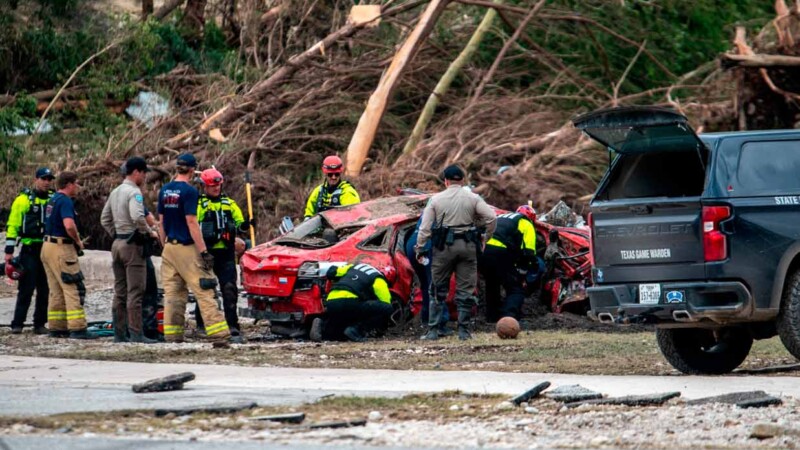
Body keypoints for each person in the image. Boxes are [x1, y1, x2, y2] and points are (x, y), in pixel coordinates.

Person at [415, 165, 496, 341]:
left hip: (443, 248)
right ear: (462, 180)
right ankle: (464, 331)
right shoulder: (473, 198)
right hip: (467, 246)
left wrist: (420, 248)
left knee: (437, 288)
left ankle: (433, 330)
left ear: (445, 181)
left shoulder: (436, 199)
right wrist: (485, 238)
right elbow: (492, 217)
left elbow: (425, 228)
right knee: (466, 290)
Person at [157, 154, 231, 343]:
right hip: (187, 247)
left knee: (173, 294)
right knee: (205, 290)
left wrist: (163, 245)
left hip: (169, 248)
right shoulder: (189, 192)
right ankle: (220, 335)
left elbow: (161, 222)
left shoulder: (164, 190)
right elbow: (192, 222)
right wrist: (204, 251)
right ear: (192, 170)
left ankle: (172, 335)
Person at [101, 156, 159, 343]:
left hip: (117, 244)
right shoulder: (134, 193)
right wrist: (149, 233)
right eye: (143, 173)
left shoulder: (116, 191)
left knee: (120, 291)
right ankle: (136, 333)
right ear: (136, 172)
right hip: (132, 246)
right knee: (136, 291)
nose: (144, 177)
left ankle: (119, 333)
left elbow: (105, 219)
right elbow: (137, 216)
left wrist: (117, 235)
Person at [194, 168, 250, 343]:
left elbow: (240, 223)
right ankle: (202, 325)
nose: (216, 188)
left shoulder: (229, 204)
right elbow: (193, 226)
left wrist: (245, 225)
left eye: (218, 185)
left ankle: (232, 325)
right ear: (204, 186)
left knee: (229, 289)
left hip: (225, 253)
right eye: (212, 185)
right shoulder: (199, 205)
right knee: (206, 289)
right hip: (207, 253)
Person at [41, 171, 95, 339]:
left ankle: (57, 327)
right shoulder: (65, 201)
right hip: (61, 247)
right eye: (76, 184)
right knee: (73, 287)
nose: (77, 187)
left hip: (46, 247)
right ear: (70, 184)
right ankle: (78, 328)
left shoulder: (52, 199)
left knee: (55, 290)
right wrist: (78, 241)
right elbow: (69, 225)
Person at [5, 167, 55, 335]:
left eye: (49, 179)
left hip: (47, 249)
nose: (46, 182)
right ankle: (17, 323)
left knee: (45, 288)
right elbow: (13, 225)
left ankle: (39, 324)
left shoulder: (53, 199)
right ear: (36, 179)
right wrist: (9, 250)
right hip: (29, 249)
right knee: (26, 288)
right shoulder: (23, 200)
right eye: (43, 179)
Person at [479, 205, 537, 322]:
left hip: (484, 252)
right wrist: (526, 269)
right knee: (515, 288)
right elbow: (529, 251)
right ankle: (509, 317)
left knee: (492, 285)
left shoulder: (501, 217)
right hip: (501, 253)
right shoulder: (525, 222)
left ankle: (492, 317)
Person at [309, 263, 394, 342]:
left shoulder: (354, 267)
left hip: (331, 301)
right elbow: (386, 303)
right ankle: (356, 330)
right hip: (350, 302)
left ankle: (322, 325)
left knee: (337, 334)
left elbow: (332, 272)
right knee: (387, 308)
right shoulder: (378, 278)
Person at [404, 216, 451, 335]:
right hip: (427, 242)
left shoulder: (434, 203)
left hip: (413, 242)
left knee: (426, 284)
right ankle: (439, 324)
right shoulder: (451, 203)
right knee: (436, 284)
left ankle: (426, 319)